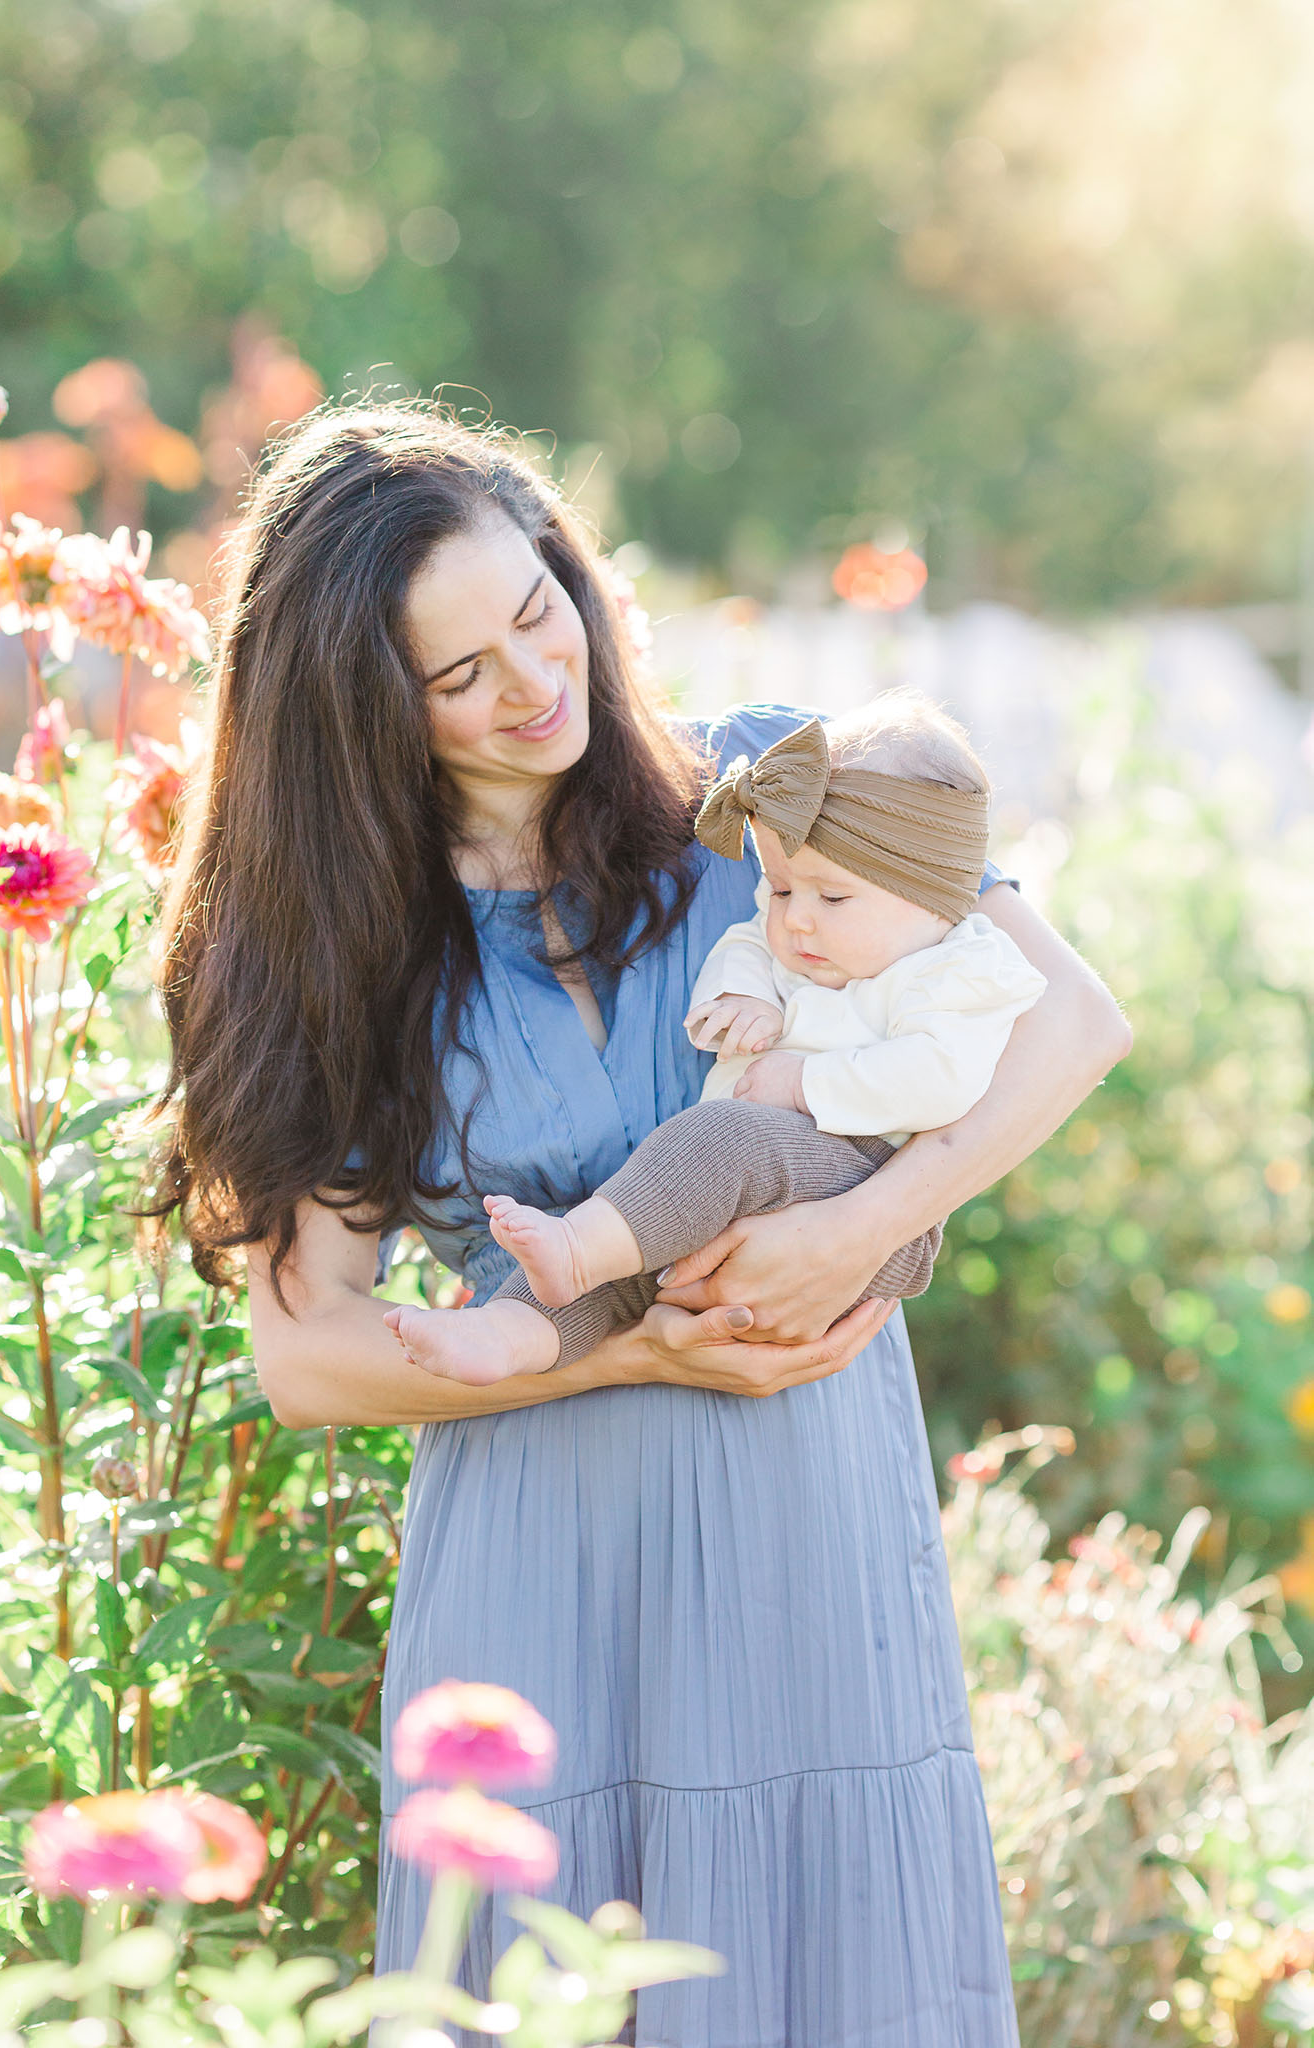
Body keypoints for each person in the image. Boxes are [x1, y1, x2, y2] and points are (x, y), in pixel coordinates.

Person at [153, 400, 1131, 2048]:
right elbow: (308, 1356)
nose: (532, 684)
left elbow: (1071, 1021)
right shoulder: (352, 941)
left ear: (570, 573)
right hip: (543, 1582)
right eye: (456, 677)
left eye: (537, 613)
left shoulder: (777, 783)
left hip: (814, 1576)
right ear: (358, 713)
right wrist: (627, 1359)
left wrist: (871, 1218)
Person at [384, 701, 1048, 1383]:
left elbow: (939, 1077)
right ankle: (505, 1334)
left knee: (712, 1144)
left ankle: (578, 1249)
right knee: (620, 1266)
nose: (796, 922)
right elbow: (746, 939)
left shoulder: (961, 970)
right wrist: (746, 993)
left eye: (832, 900)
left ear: (931, 894)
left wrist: (799, 1084)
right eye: (783, 889)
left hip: (860, 1174)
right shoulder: (801, 936)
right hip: (733, 1195)